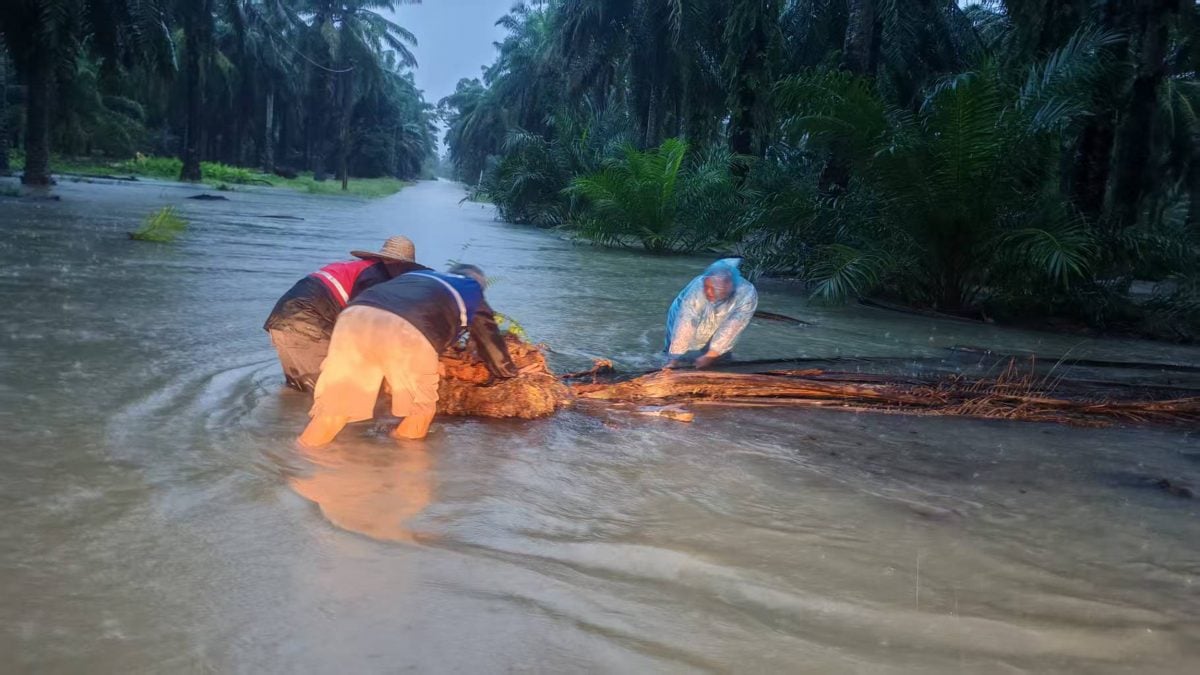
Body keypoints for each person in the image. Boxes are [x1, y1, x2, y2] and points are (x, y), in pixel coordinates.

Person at [298, 263, 518, 446]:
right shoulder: (472, 289)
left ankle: (298, 464)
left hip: (353, 317)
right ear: (478, 282)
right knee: (420, 409)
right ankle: (406, 473)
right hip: (406, 328)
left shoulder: (419, 275)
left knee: (334, 409)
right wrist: (507, 373)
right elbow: (489, 339)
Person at [263, 236, 430, 392]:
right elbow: (361, 321)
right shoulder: (375, 277)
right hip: (303, 321)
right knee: (321, 392)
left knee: (299, 389)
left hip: (289, 318)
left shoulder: (360, 268)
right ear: (399, 265)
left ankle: (282, 418)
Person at [664, 258, 758, 368]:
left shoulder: (746, 294)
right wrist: (674, 360)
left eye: (713, 288)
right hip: (685, 315)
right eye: (706, 286)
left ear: (728, 285)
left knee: (718, 358)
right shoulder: (697, 289)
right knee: (680, 355)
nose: (708, 291)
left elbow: (732, 328)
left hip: (724, 318)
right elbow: (686, 323)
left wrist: (712, 354)